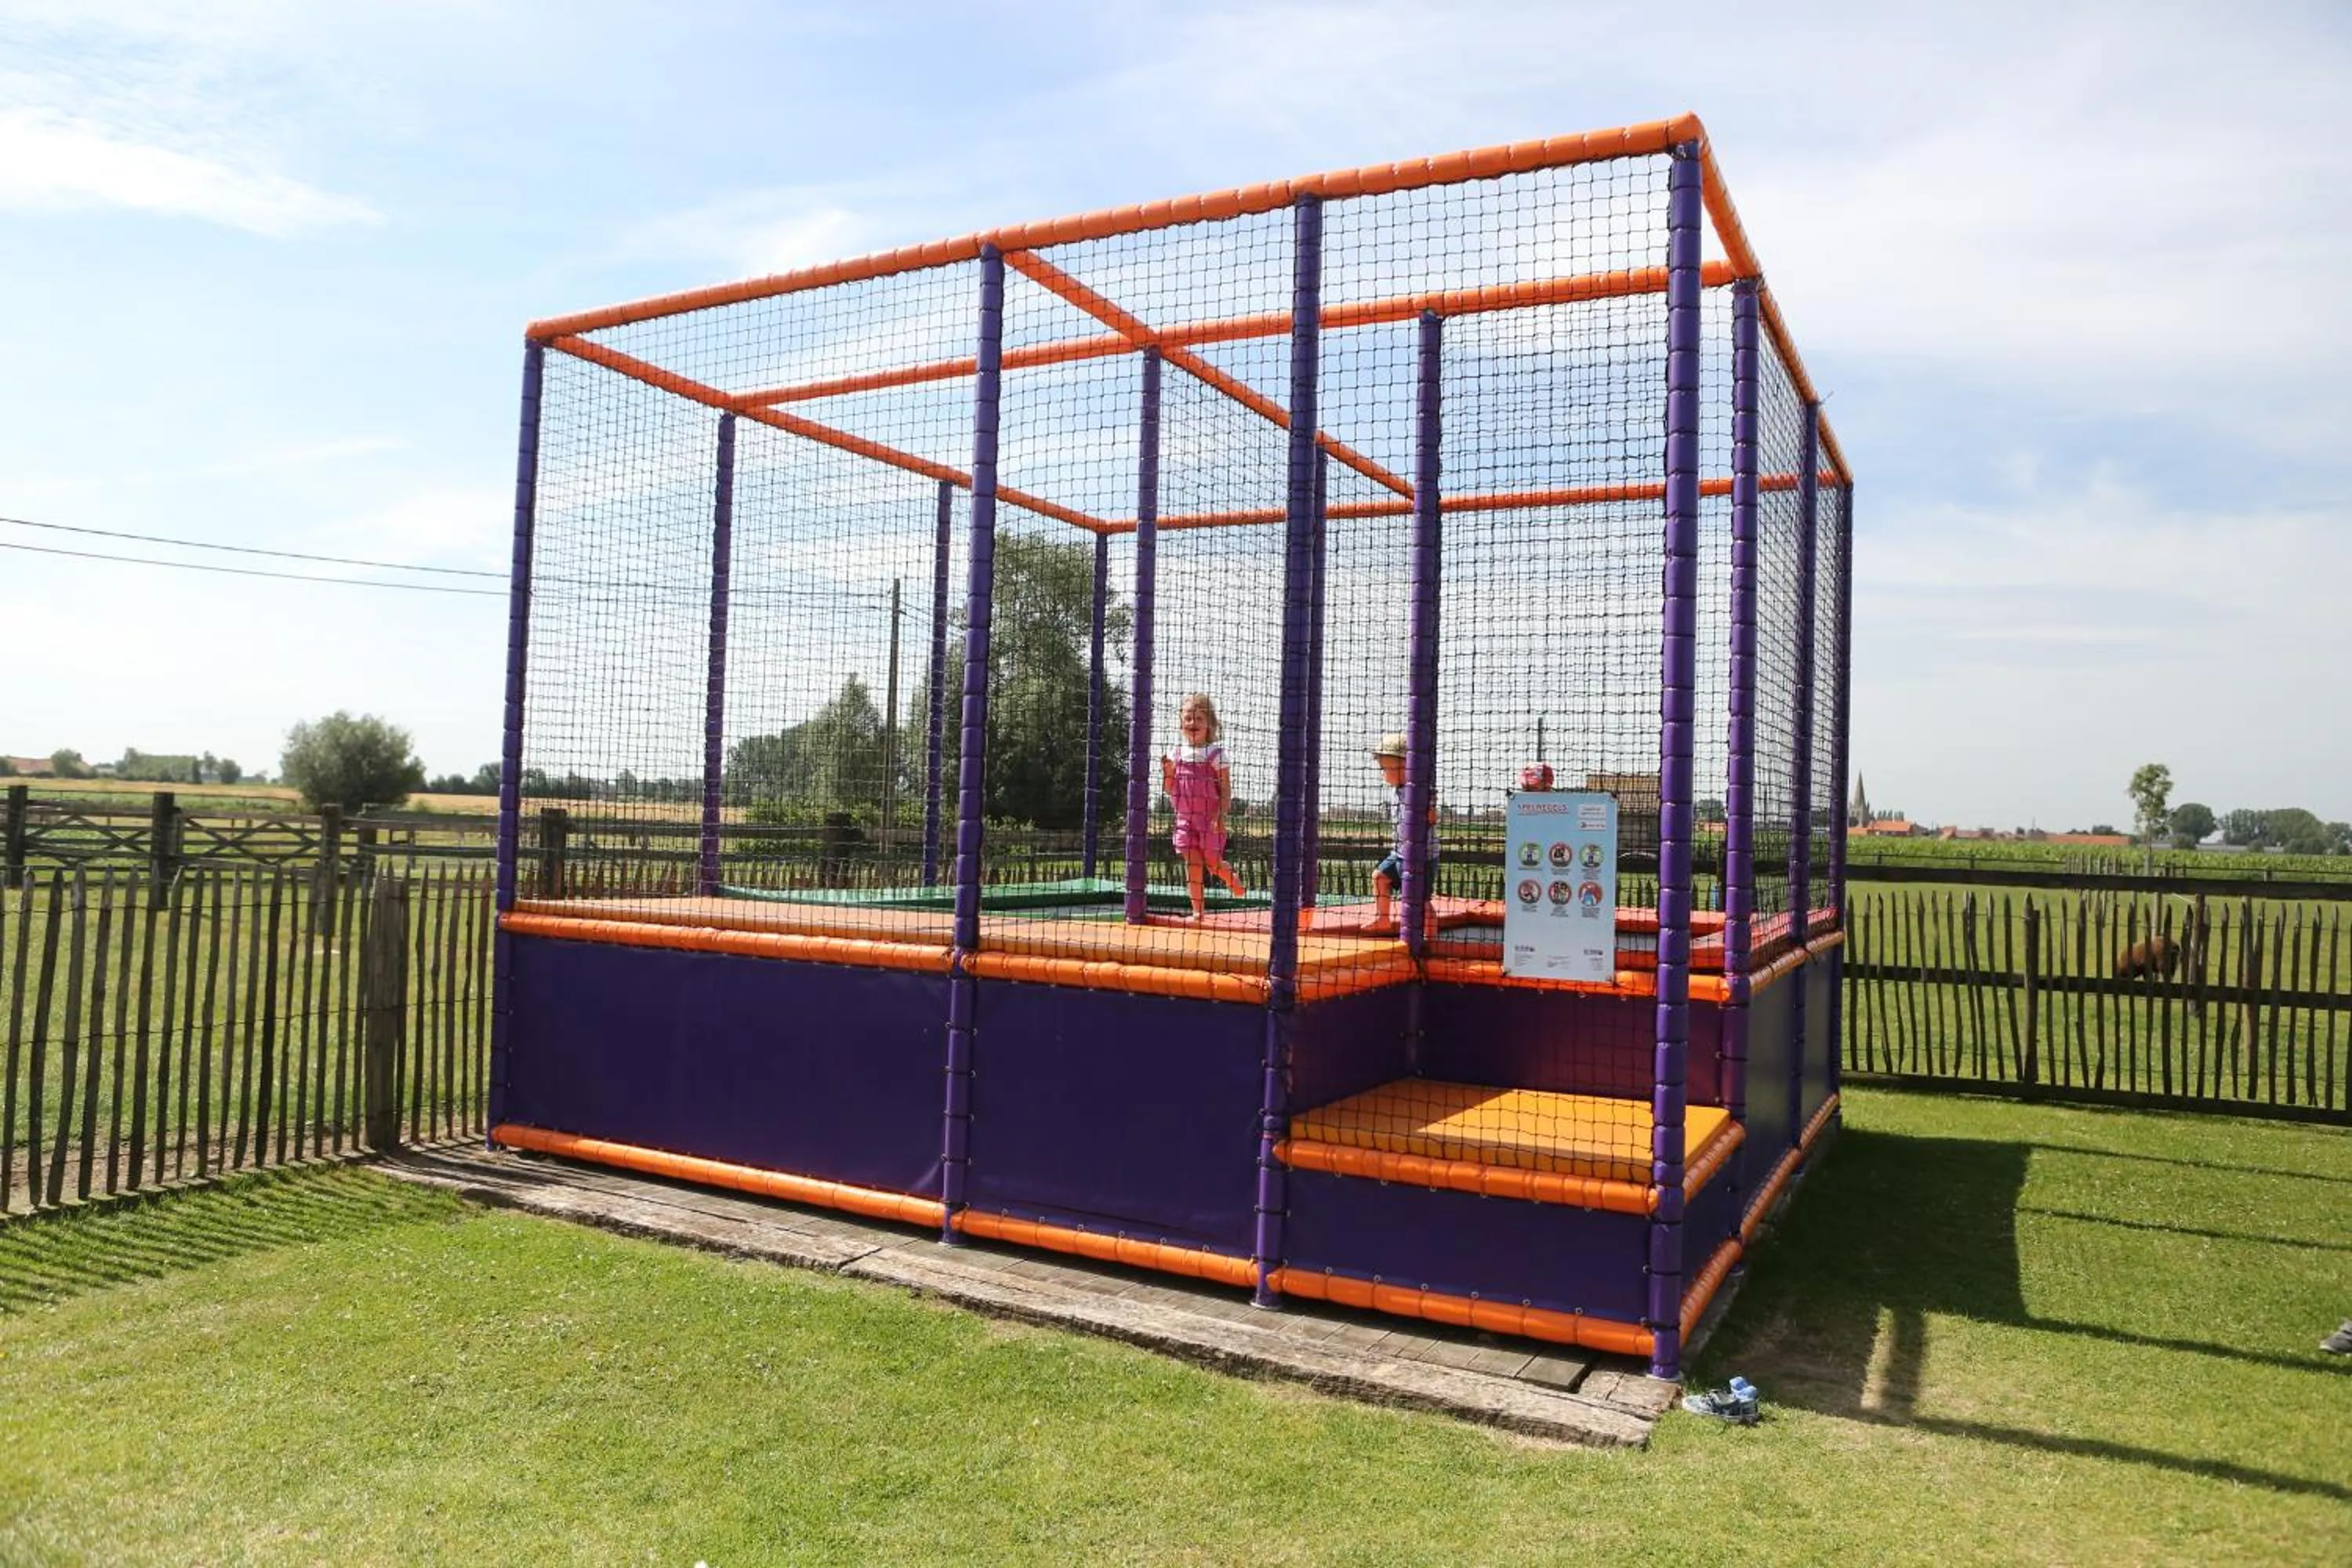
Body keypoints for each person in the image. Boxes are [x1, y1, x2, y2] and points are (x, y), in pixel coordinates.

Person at [1160, 693, 1247, 920]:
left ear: (1209, 725)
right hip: (1184, 818)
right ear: (1181, 723)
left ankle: (1230, 878)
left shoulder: (1216, 754)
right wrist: (1168, 773)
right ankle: (1198, 911)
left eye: (1199, 719)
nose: (1193, 724)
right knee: (1193, 864)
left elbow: (1225, 789)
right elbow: (1169, 789)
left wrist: (1221, 815)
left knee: (1212, 863)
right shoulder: (1176, 754)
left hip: (1209, 818)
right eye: (1188, 718)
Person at [1370, 731, 1436, 933]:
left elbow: (1433, 817)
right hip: (1398, 853)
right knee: (1379, 876)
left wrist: (1424, 814)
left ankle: (1432, 938)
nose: (1383, 774)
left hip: (1421, 857)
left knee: (1420, 901)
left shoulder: (1419, 789)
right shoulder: (1396, 790)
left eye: (1386, 769)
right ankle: (1382, 919)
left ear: (1405, 767)